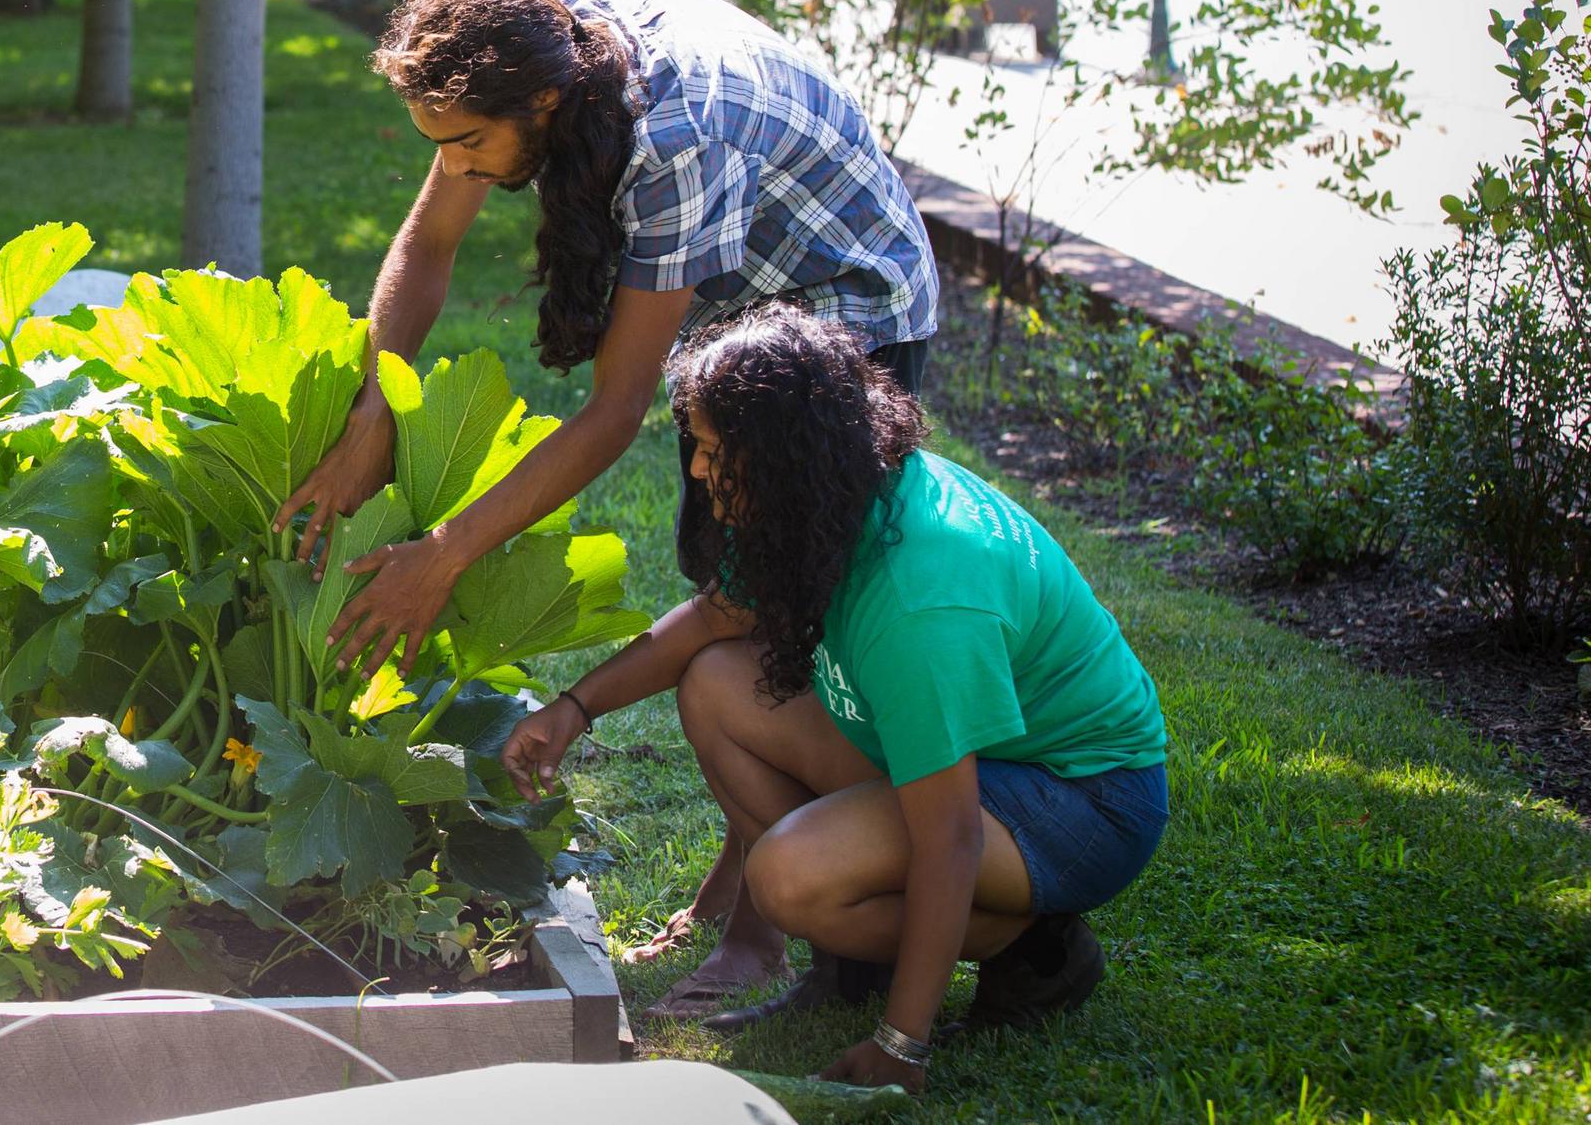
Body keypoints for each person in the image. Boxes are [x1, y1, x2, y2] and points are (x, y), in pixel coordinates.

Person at [278, 0, 940, 1001]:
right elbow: (428, 241)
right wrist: (374, 411)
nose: (452, 166)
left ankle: (759, 921)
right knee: (717, 568)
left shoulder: (674, 143)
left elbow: (610, 410)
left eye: (467, 145)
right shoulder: (528, 41)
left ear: (543, 103)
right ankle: (744, 883)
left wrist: (443, 557)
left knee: (775, 607)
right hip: (734, 291)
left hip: (841, 303)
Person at [499, 306, 1171, 1088]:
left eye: (713, 450)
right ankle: (861, 961)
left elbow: (948, 834)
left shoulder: (918, 598)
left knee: (791, 875)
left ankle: (1034, 948)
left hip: (1082, 800)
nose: (695, 469)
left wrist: (901, 1045)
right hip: (992, 763)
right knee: (718, 683)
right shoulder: (839, 494)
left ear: (780, 456)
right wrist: (572, 709)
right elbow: (710, 622)